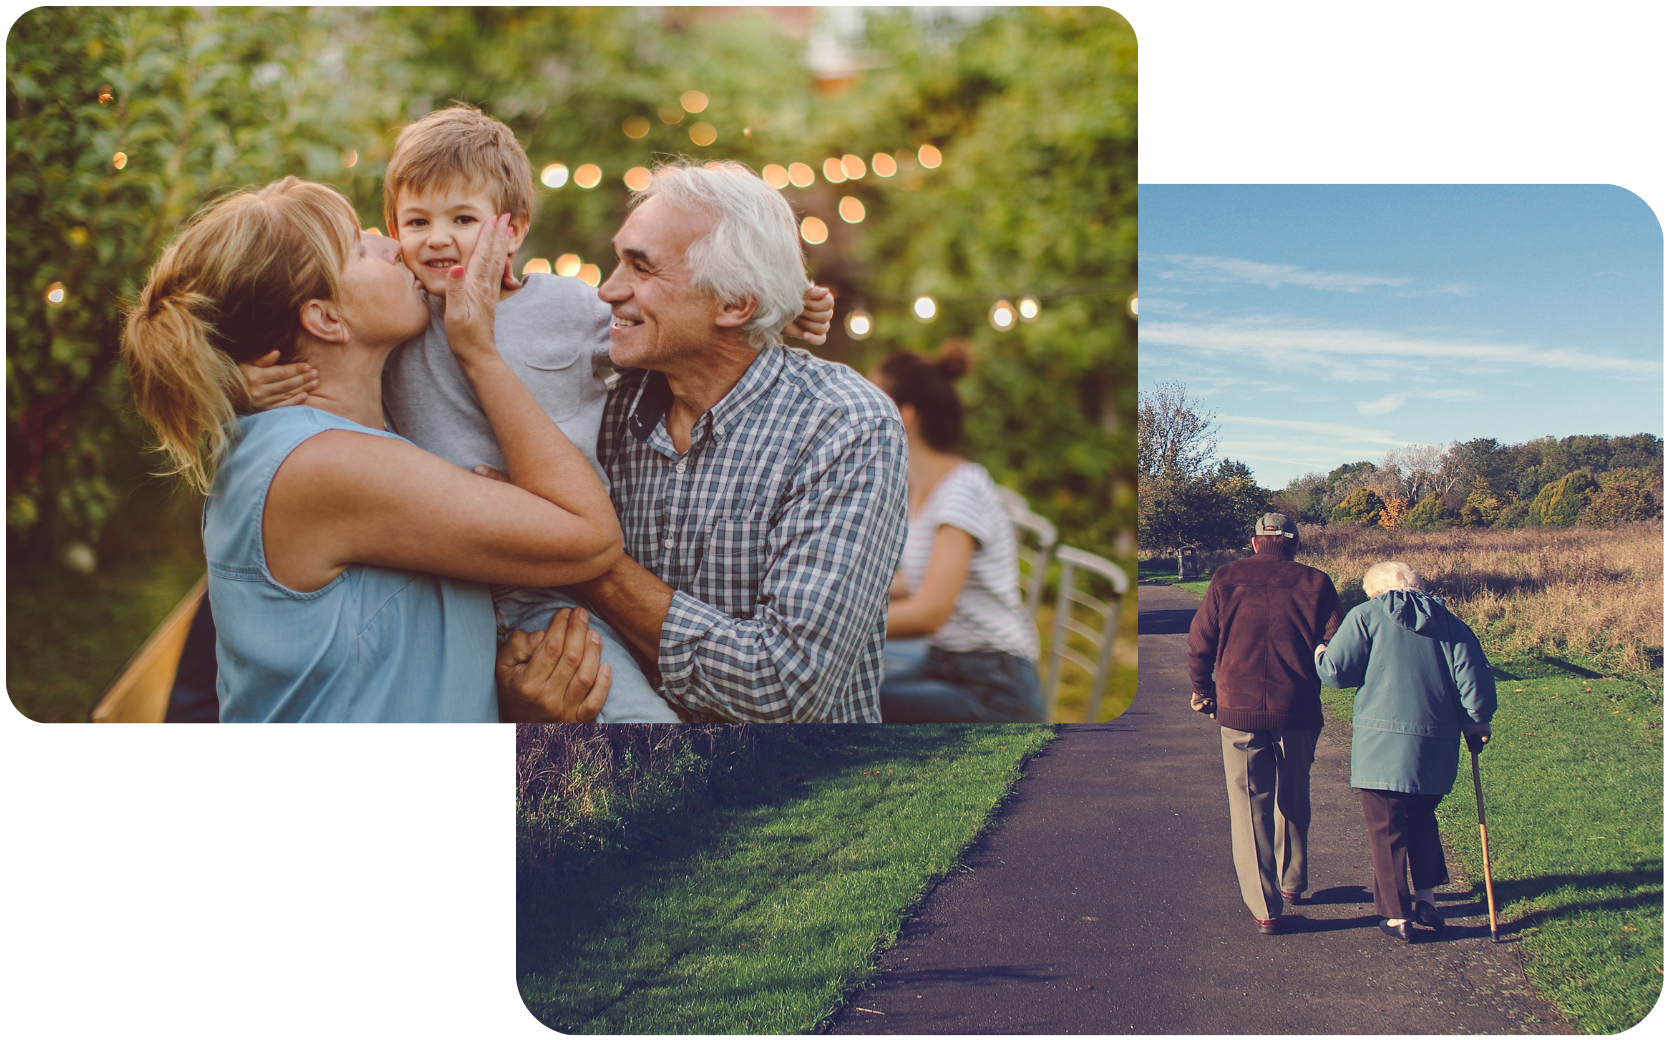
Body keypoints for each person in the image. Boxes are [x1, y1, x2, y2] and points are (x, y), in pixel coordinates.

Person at [233, 105, 834, 723]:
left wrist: (775, 305)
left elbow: (666, 323)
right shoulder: (404, 325)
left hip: (549, 587)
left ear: (512, 229)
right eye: (415, 222)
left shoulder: (567, 308)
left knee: (636, 722)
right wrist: (239, 379)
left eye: (462, 219)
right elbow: (286, 347)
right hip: (461, 572)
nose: (434, 239)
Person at [123, 177, 618, 722]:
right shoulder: (322, 464)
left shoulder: (305, 442)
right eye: (361, 248)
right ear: (327, 319)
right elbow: (589, 538)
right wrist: (478, 352)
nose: (393, 244)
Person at [557, 159, 910, 722]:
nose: (608, 289)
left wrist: (576, 554)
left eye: (640, 268)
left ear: (735, 304)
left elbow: (784, 689)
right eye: (618, 258)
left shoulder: (844, 427)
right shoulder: (602, 402)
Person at [1315, 560, 1496, 942]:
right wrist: (1477, 722)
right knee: (1422, 817)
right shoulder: (1451, 622)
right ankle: (1427, 898)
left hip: (1382, 744)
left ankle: (1397, 915)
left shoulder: (1366, 615)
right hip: (1437, 744)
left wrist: (1319, 652)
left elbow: (1335, 672)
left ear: (1375, 591)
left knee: (1386, 826)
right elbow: (1474, 684)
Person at [1187, 512, 1344, 934]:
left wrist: (1203, 691)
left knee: (1249, 805)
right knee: (1294, 794)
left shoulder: (1226, 577)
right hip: (1298, 707)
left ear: (1255, 543)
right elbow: (1337, 644)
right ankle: (1292, 881)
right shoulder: (1317, 583)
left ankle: (1265, 907)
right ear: (1296, 544)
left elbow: (1200, 640)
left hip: (1238, 708)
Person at [866, 345, 1042, 722]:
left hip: (994, 688)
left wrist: (838, 624)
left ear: (903, 415)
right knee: (857, 687)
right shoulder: (925, 489)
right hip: (949, 665)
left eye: (868, 398)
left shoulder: (961, 489)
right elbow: (917, 581)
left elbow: (930, 611)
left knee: (851, 705)